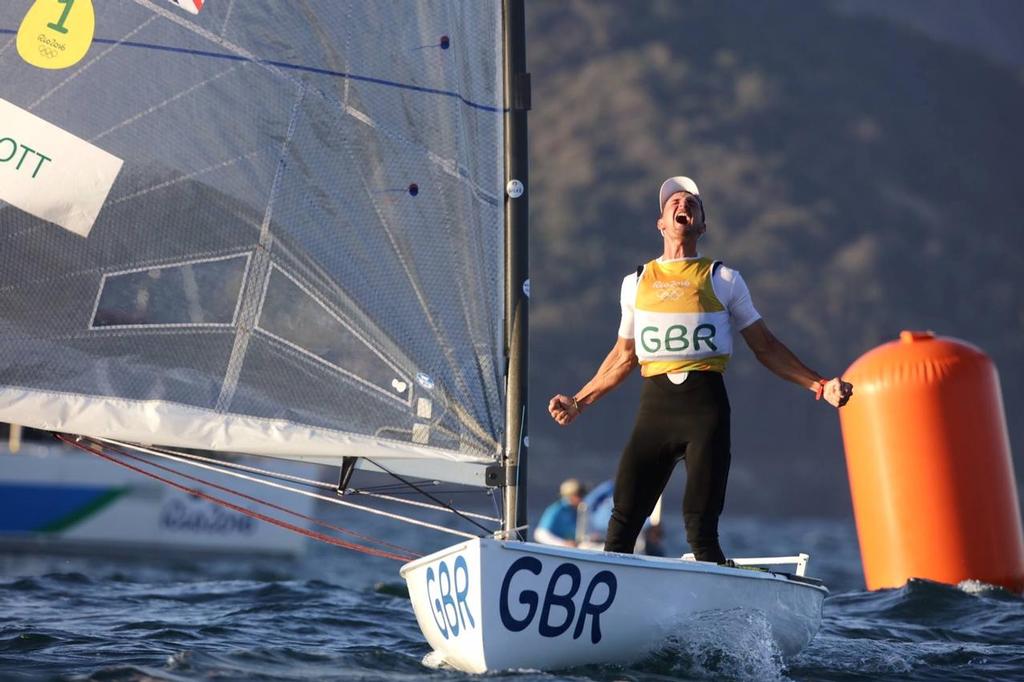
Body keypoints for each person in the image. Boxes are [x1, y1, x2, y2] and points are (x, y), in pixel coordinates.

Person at [547, 176, 853, 563]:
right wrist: (578, 401)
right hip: (654, 413)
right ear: (661, 222)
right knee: (622, 523)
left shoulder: (723, 279)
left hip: (704, 413)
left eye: (692, 202)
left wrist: (819, 384)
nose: (683, 205)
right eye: (674, 201)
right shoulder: (635, 283)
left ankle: (716, 612)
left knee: (700, 528)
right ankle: (609, 606)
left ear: (702, 226)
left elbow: (766, 347)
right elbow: (624, 356)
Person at [533, 478, 586, 547]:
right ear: (569, 495)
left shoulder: (581, 510)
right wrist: (563, 543)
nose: (582, 498)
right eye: (579, 495)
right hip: (557, 551)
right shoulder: (557, 509)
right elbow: (540, 534)